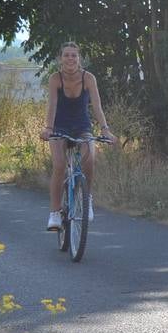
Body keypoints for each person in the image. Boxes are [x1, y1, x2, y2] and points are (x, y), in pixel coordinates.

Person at [39, 42, 116, 230]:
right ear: (60, 59)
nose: (70, 59)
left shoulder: (88, 78)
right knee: (59, 165)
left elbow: (97, 106)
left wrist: (105, 129)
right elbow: (52, 105)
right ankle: (55, 213)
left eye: (74, 55)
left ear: (79, 58)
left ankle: (86, 198)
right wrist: (48, 128)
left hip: (82, 126)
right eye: (66, 55)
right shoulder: (55, 78)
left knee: (89, 160)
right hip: (60, 126)